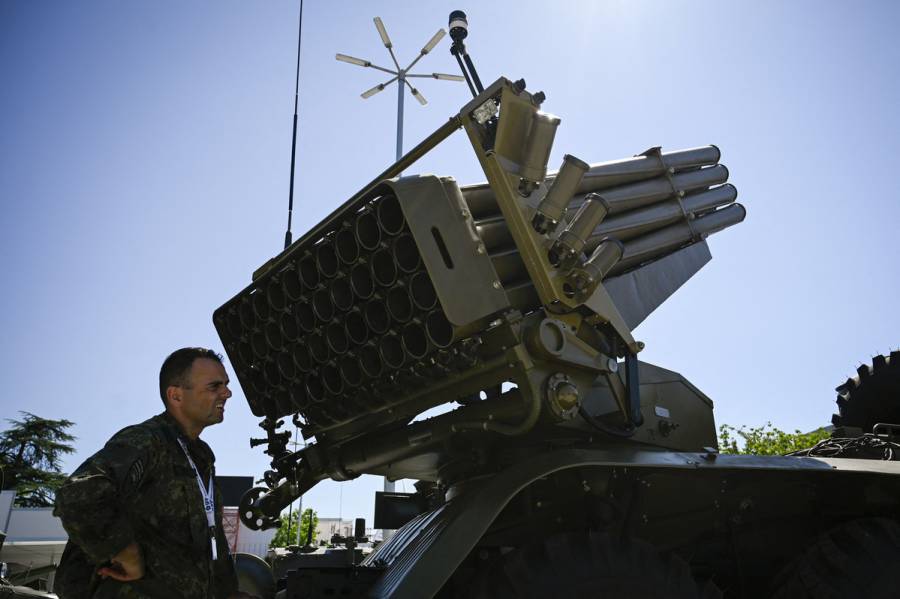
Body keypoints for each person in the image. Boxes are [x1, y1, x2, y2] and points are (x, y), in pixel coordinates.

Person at [53, 347, 257, 599]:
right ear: (176, 396)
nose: (227, 393)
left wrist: (227, 593)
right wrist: (124, 551)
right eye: (214, 386)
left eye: (226, 385)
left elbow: (209, 539)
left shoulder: (201, 456)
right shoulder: (147, 440)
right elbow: (78, 494)